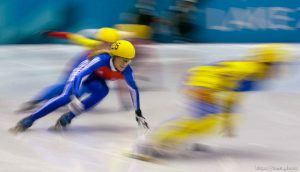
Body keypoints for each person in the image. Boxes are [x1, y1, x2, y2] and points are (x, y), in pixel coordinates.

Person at [128, 44, 291, 160]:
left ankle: (172, 138)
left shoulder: (255, 70)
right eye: (279, 64)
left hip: (203, 82)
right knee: (204, 121)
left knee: (206, 120)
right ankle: (152, 143)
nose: (280, 69)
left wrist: (227, 119)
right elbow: (229, 91)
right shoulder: (252, 71)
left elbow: (233, 93)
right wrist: (223, 115)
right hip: (202, 84)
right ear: (269, 63)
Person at [10, 40, 149, 133]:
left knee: (103, 90)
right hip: (80, 73)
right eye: (124, 60)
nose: (126, 64)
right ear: (114, 56)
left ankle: (68, 117)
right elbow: (80, 75)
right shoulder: (101, 59)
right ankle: (30, 119)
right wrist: (75, 95)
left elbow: (133, 89)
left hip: (95, 77)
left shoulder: (127, 70)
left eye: (129, 61)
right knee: (66, 97)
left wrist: (138, 111)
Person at [16, 28, 128, 112]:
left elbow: (119, 78)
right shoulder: (92, 44)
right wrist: (51, 33)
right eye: (105, 43)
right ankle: (37, 100)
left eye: (111, 44)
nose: (107, 46)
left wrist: (123, 99)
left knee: (82, 90)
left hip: (95, 71)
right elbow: (69, 36)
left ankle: (59, 100)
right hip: (80, 64)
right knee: (65, 86)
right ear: (99, 41)